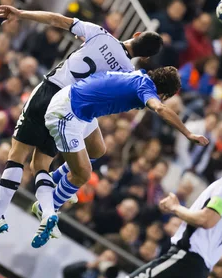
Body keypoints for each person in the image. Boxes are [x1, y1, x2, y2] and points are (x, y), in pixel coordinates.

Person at [0, 5, 164, 246]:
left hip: (49, 91)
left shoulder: (100, 33)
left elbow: (56, 19)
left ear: (138, 34)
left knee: (17, 156)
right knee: (42, 164)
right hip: (69, 109)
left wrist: (21, 14)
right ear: (147, 57)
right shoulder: (127, 73)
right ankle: (49, 210)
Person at [33, 67, 207, 248]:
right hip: (70, 109)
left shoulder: (138, 74)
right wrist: (188, 133)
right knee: (83, 174)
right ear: (163, 94)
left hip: (78, 104)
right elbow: (160, 108)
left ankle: (51, 182)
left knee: (97, 149)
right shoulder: (145, 87)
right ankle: (46, 208)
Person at [125, 140, 222, 278]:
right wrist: (207, 260)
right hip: (201, 272)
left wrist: (175, 207)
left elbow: (207, 219)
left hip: (185, 257)